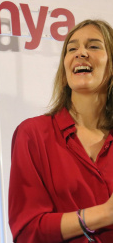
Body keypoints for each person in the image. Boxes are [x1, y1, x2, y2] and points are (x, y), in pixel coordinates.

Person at [9, 19, 113, 243]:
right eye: (72, 48)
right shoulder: (33, 134)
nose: (81, 53)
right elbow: (27, 232)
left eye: (94, 46)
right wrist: (104, 214)